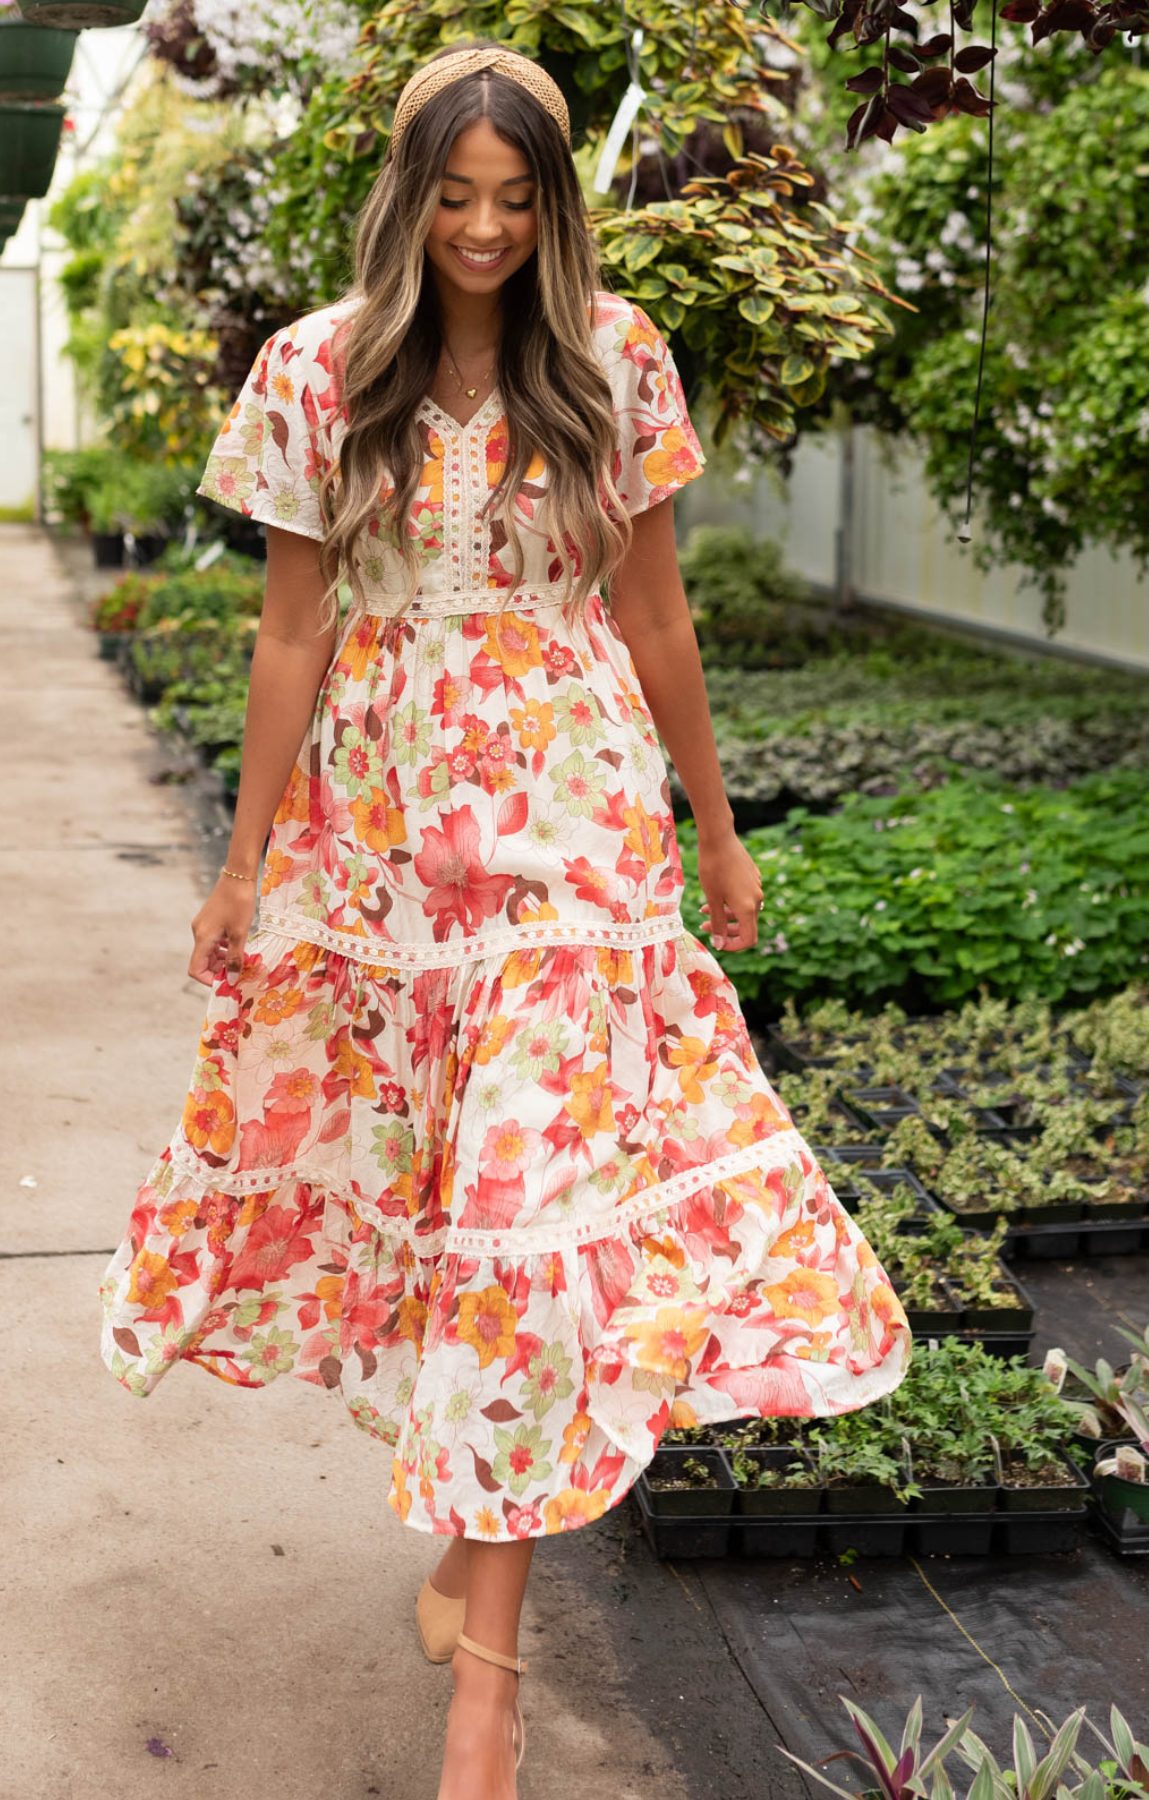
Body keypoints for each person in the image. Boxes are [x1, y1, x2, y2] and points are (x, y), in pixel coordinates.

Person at [99, 39, 911, 1800]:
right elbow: (292, 638)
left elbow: (658, 616)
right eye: (454, 197)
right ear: (409, 199)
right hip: (385, 843)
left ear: (553, 208)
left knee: (529, 1227)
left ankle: (490, 1694)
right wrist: (242, 870)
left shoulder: (616, 363)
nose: (481, 229)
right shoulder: (321, 368)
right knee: (443, 1218)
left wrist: (717, 834)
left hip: (575, 838)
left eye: (514, 198)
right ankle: (468, 1567)